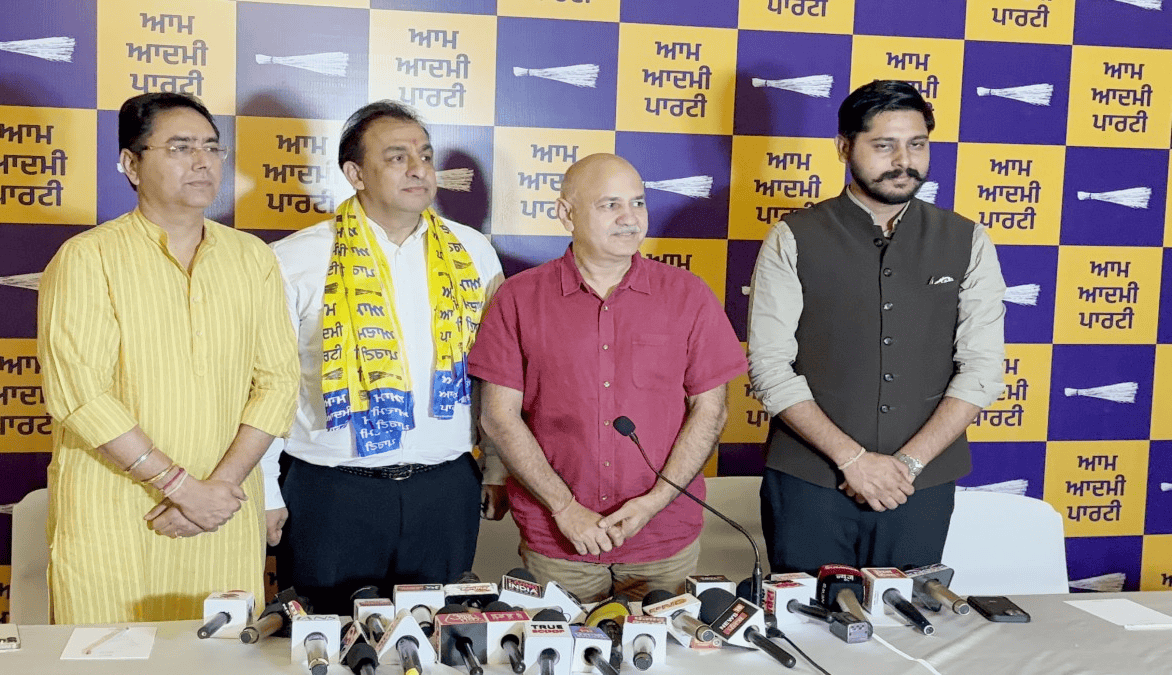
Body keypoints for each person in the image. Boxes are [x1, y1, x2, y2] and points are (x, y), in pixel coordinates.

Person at [37, 92, 299, 623]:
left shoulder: (252, 258)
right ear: (131, 164)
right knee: (108, 653)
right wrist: (181, 489)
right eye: (180, 147)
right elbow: (81, 396)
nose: (202, 162)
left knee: (220, 653)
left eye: (211, 147)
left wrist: (216, 490)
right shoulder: (87, 258)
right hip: (117, 514)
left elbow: (278, 383)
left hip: (222, 513)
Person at [747, 80, 1006, 575]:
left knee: (908, 618)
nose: (903, 161)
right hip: (809, 485)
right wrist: (852, 460)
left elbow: (982, 370)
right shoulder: (791, 238)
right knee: (808, 618)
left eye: (917, 144)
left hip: (920, 487)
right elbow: (769, 368)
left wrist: (906, 465)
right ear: (844, 147)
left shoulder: (968, 240)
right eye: (884, 145)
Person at [261, 101, 507, 613]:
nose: (418, 169)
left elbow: (494, 375)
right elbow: (263, 382)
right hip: (331, 492)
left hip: (444, 489)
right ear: (355, 174)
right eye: (397, 157)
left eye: (425, 155)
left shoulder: (473, 253)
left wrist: (497, 469)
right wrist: (266, 490)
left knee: (439, 638)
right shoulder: (294, 259)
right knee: (327, 640)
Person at [469, 153, 748, 602]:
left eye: (637, 203)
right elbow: (498, 417)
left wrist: (654, 503)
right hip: (560, 541)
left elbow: (710, 410)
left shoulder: (688, 295)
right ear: (566, 214)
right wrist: (564, 508)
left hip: (664, 539)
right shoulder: (518, 298)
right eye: (610, 205)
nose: (629, 218)